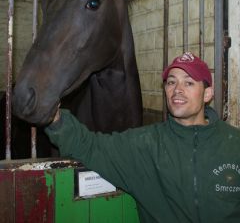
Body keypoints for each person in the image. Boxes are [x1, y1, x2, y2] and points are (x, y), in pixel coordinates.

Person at [45, 51, 240, 223]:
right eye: (171, 82)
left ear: (207, 94)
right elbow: (89, 146)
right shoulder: (144, 145)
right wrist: (55, 119)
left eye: (188, 82)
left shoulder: (234, 143)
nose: (177, 89)